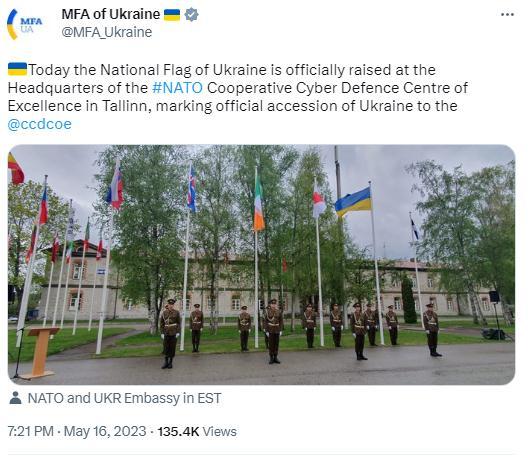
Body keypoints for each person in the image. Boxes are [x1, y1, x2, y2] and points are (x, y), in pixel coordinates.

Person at [159, 298, 181, 369]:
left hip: (173, 332)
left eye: (172, 304)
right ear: (167, 305)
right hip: (166, 332)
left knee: (172, 347)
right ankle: (166, 362)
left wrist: (178, 332)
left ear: (173, 305)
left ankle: (170, 362)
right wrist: (162, 333)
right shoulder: (164, 313)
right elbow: (161, 323)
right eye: (169, 304)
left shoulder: (176, 312)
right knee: (166, 347)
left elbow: (178, 323)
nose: (171, 305)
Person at [264, 298, 283, 364]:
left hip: (277, 329)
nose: (273, 305)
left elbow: (281, 321)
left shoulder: (279, 312)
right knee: (271, 344)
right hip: (270, 330)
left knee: (276, 344)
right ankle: (271, 358)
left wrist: (280, 330)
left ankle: (275, 357)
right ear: (270, 304)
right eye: (272, 304)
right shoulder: (267, 312)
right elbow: (265, 321)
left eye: (275, 304)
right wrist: (266, 331)